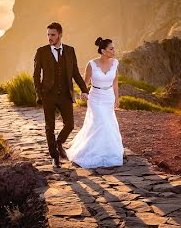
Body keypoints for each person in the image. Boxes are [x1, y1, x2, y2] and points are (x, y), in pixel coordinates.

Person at [33, 22, 89, 168]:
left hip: (65, 94)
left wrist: (84, 89)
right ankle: (54, 156)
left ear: (60, 35)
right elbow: (36, 75)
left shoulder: (70, 51)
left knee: (70, 124)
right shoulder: (41, 51)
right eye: (48, 35)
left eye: (53, 35)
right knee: (49, 127)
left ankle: (59, 142)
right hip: (48, 95)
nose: (50, 38)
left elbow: (75, 72)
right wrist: (40, 94)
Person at [65, 37, 124, 168]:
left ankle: (109, 152)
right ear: (103, 51)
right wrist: (83, 92)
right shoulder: (91, 64)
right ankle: (92, 152)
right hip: (95, 98)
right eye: (111, 49)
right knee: (101, 122)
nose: (114, 51)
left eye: (114, 48)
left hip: (108, 97)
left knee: (108, 123)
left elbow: (115, 83)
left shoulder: (115, 64)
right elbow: (85, 82)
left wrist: (116, 98)